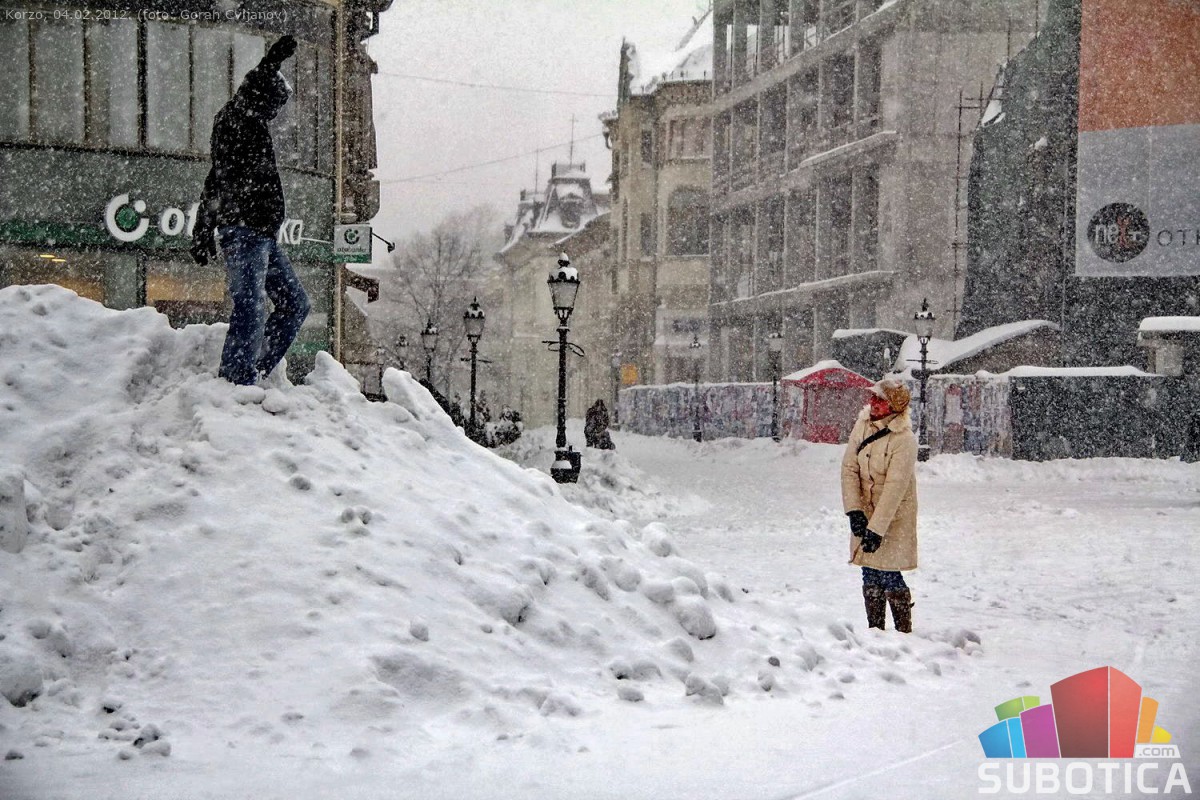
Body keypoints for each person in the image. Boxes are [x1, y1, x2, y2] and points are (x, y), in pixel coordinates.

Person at [191, 35, 311, 386]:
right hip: (244, 231)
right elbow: (216, 179)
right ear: (261, 98)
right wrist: (269, 64)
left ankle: (254, 374)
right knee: (250, 306)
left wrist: (203, 226)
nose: (275, 113)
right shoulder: (236, 118)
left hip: (262, 234)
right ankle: (236, 383)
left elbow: (214, 178)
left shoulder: (251, 122)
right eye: (274, 105)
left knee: (295, 304)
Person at [840, 376, 919, 632]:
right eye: (872, 397)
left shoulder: (904, 439)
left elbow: (895, 487)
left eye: (880, 399)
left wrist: (877, 528)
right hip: (865, 507)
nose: (873, 402)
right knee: (869, 569)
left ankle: (903, 631)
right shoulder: (862, 424)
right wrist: (854, 510)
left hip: (893, 515)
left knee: (889, 570)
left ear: (894, 406)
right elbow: (849, 468)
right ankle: (875, 631)